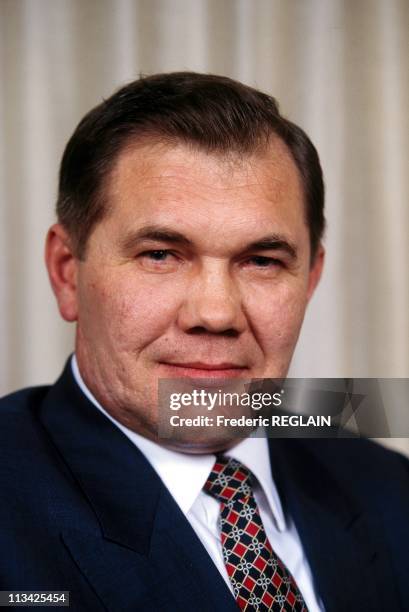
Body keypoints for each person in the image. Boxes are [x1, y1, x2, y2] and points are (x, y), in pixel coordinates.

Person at [0, 72, 408, 612]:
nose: (216, 314)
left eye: (262, 261)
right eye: (160, 254)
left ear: (310, 278)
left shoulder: (390, 488)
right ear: (66, 272)